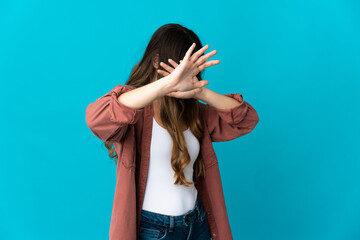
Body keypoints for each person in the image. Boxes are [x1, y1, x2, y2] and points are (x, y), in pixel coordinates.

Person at [85, 23, 259, 240]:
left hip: (198, 223)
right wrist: (168, 83)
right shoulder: (134, 108)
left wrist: (200, 92)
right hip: (154, 229)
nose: (188, 73)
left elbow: (247, 120)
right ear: (156, 60)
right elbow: (96, 118)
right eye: (183, 65)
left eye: (193, 67)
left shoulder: (194, 111)